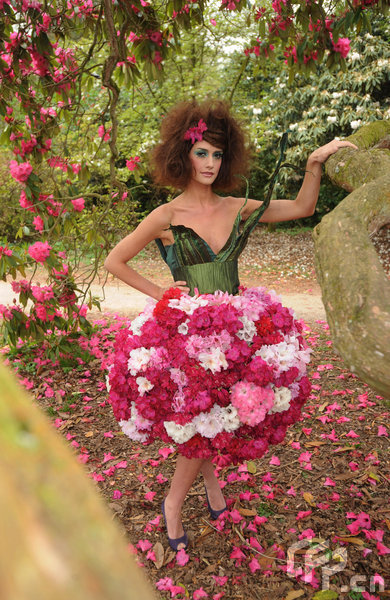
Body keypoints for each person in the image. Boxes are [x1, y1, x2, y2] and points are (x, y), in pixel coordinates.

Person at [104, 99, 357, 551]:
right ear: (182, 155)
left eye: (217, 154)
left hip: (235, 334)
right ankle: (174, 503)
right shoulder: (166, 216)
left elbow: (302, 207)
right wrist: (162, 293)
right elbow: (114, 260)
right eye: (202, 152)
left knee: (214, 418)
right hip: (185, 338)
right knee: (199, 421)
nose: (210, 163)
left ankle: (211, 489)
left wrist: (314, 163)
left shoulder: (236, 206)